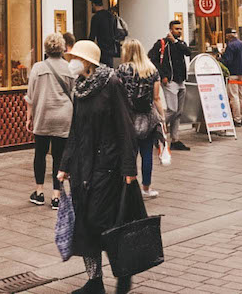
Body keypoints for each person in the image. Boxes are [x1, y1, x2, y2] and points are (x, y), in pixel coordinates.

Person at [57, 40, 138, 294]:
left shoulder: (111, 84)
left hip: (107, 167)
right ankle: (94, 281)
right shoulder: (79, 88)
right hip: (82, 168)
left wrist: (129, 169)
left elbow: (126, 127)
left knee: (104, 224)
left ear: (89, 62)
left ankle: (123, 274)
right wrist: (65, 165)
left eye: (76, 59)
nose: (72, 63)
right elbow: (76, 130)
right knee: (85, 224)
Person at [25, 32, 74, 208]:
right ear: (62, 48)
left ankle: (39, 192)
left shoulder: (38, 68)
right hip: (63, 116)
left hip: (43, 115)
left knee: (40, 153)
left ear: (46, 48)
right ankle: (56, 195)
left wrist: (29, 117)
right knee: (59, 156)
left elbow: (30, 96)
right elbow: (74, 93)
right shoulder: (69, 68)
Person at [117, 38, 163, 199]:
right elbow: (156, 97)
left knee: (128, 153)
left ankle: (129, 186)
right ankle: (146, 188)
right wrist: (162, 118)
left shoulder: (122, 69)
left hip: (128, 117)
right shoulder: (151, 69)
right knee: (146, 154)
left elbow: (118, 95)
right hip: (147, 117)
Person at [149, 21, 191, 151]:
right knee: (172, 110)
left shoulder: (180, 43)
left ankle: (175, 139)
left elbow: (188, 52)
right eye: (176, 29)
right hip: (170, 81)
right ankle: (155, 130)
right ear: (170, 30)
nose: (179, 31)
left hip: (180, 81)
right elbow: (152, 58)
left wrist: (176, 42)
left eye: (180, 29)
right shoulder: (162, 43)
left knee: (178, 112)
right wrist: (162, 75)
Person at [220, 29, 242, 126]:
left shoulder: (230, 46)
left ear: (228, 36)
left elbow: (228, 61)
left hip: (233, 73)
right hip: (241, 72)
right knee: (241, 95)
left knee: (234, 96)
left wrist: (221, 56)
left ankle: (237, 119)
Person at [87, 0, 120, 67]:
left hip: (102, 49)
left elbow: (92, 35)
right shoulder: (110, 15)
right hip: (111, 49)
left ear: (94, 5)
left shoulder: (96, 17)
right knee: (110, 69)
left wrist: (87, 47)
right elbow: (115, 31)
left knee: (102, 70)